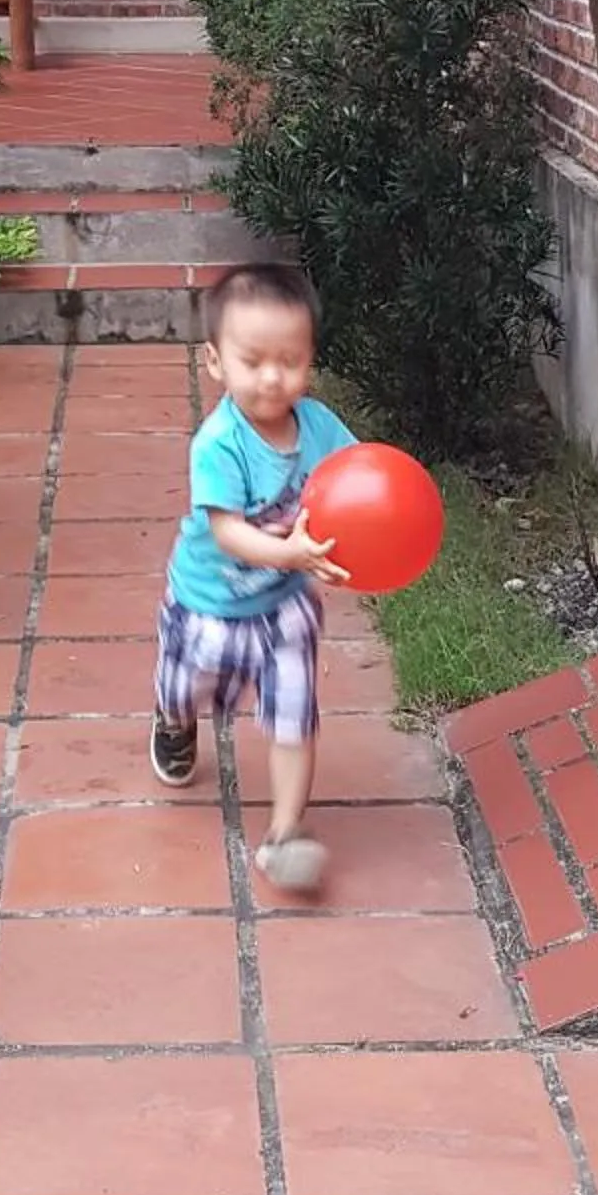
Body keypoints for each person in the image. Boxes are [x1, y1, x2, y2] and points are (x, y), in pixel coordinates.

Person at [150, 263, 358, 894]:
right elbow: (228, 532)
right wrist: (291, 551)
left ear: (311, 360)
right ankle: (172, 722)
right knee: (184, 688)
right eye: (254, 360)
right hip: (206, 604)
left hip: (285, 610)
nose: (273, 377)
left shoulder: (319, 427)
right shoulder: (219, 442)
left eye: (290, 360)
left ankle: (286, 832)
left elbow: (356, 478)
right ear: (215, 362)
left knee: (294, 716)